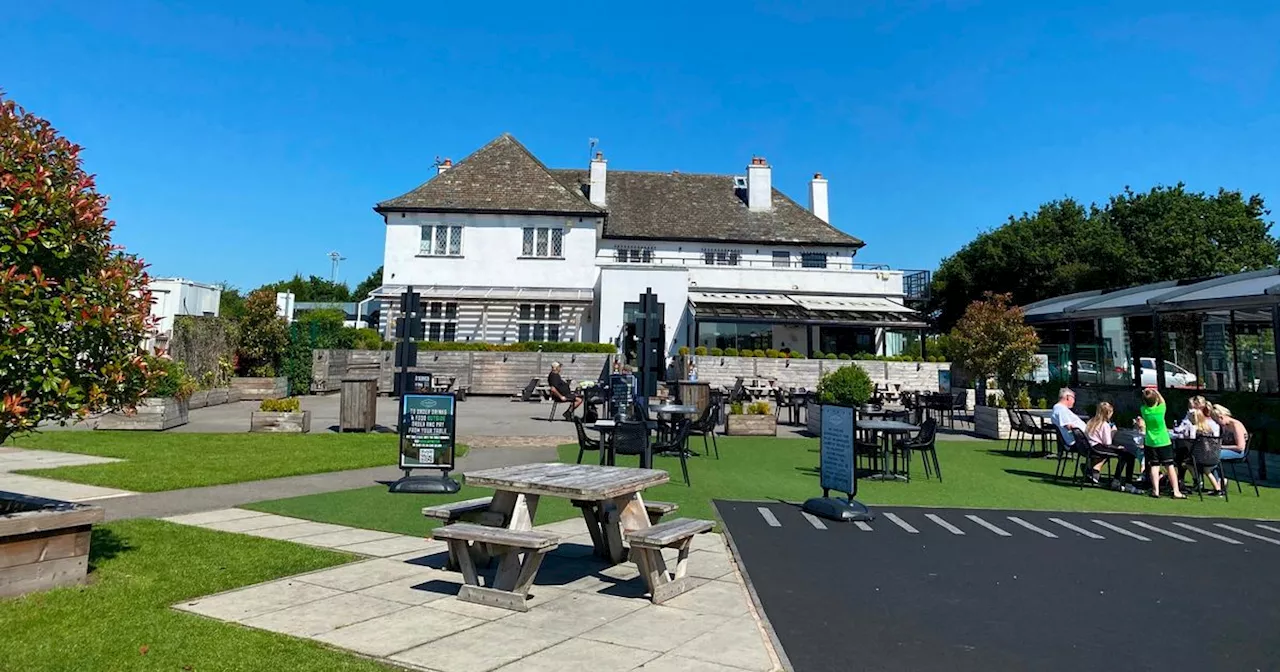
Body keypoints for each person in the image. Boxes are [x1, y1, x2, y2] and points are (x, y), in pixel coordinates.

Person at [1136, 388, 1184, 499]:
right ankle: (1176, 491)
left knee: (1154, 466)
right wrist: (1156, 392)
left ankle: (1155, 490)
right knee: (1169, 466)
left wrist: (1147, 393)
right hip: (1163, 441)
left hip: (1150, 442)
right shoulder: (1161, 409)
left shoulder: (1144, 410)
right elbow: (1163, 401)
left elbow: (1147, 402)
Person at [1084, 402, 1139, 492]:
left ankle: (1116, 480)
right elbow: (1107, 442)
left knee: (1124, 454)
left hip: (1090, 446)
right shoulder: (1104, 425)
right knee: (1128, 455)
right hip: (1098, 447)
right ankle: (1124, 482)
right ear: (1107, 414)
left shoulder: (1091, 422)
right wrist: (1113, 436)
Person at [1050, 388, 1088, 455]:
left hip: (1081, 439)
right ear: (1068, 397)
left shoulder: (1060, 409)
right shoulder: (1061, 409)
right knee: (1104, 447)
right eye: (1073, 398)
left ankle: (1091, 465)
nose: (1074, 401)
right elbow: (1069, 426)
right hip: (1078, 441)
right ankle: (1092, 465)